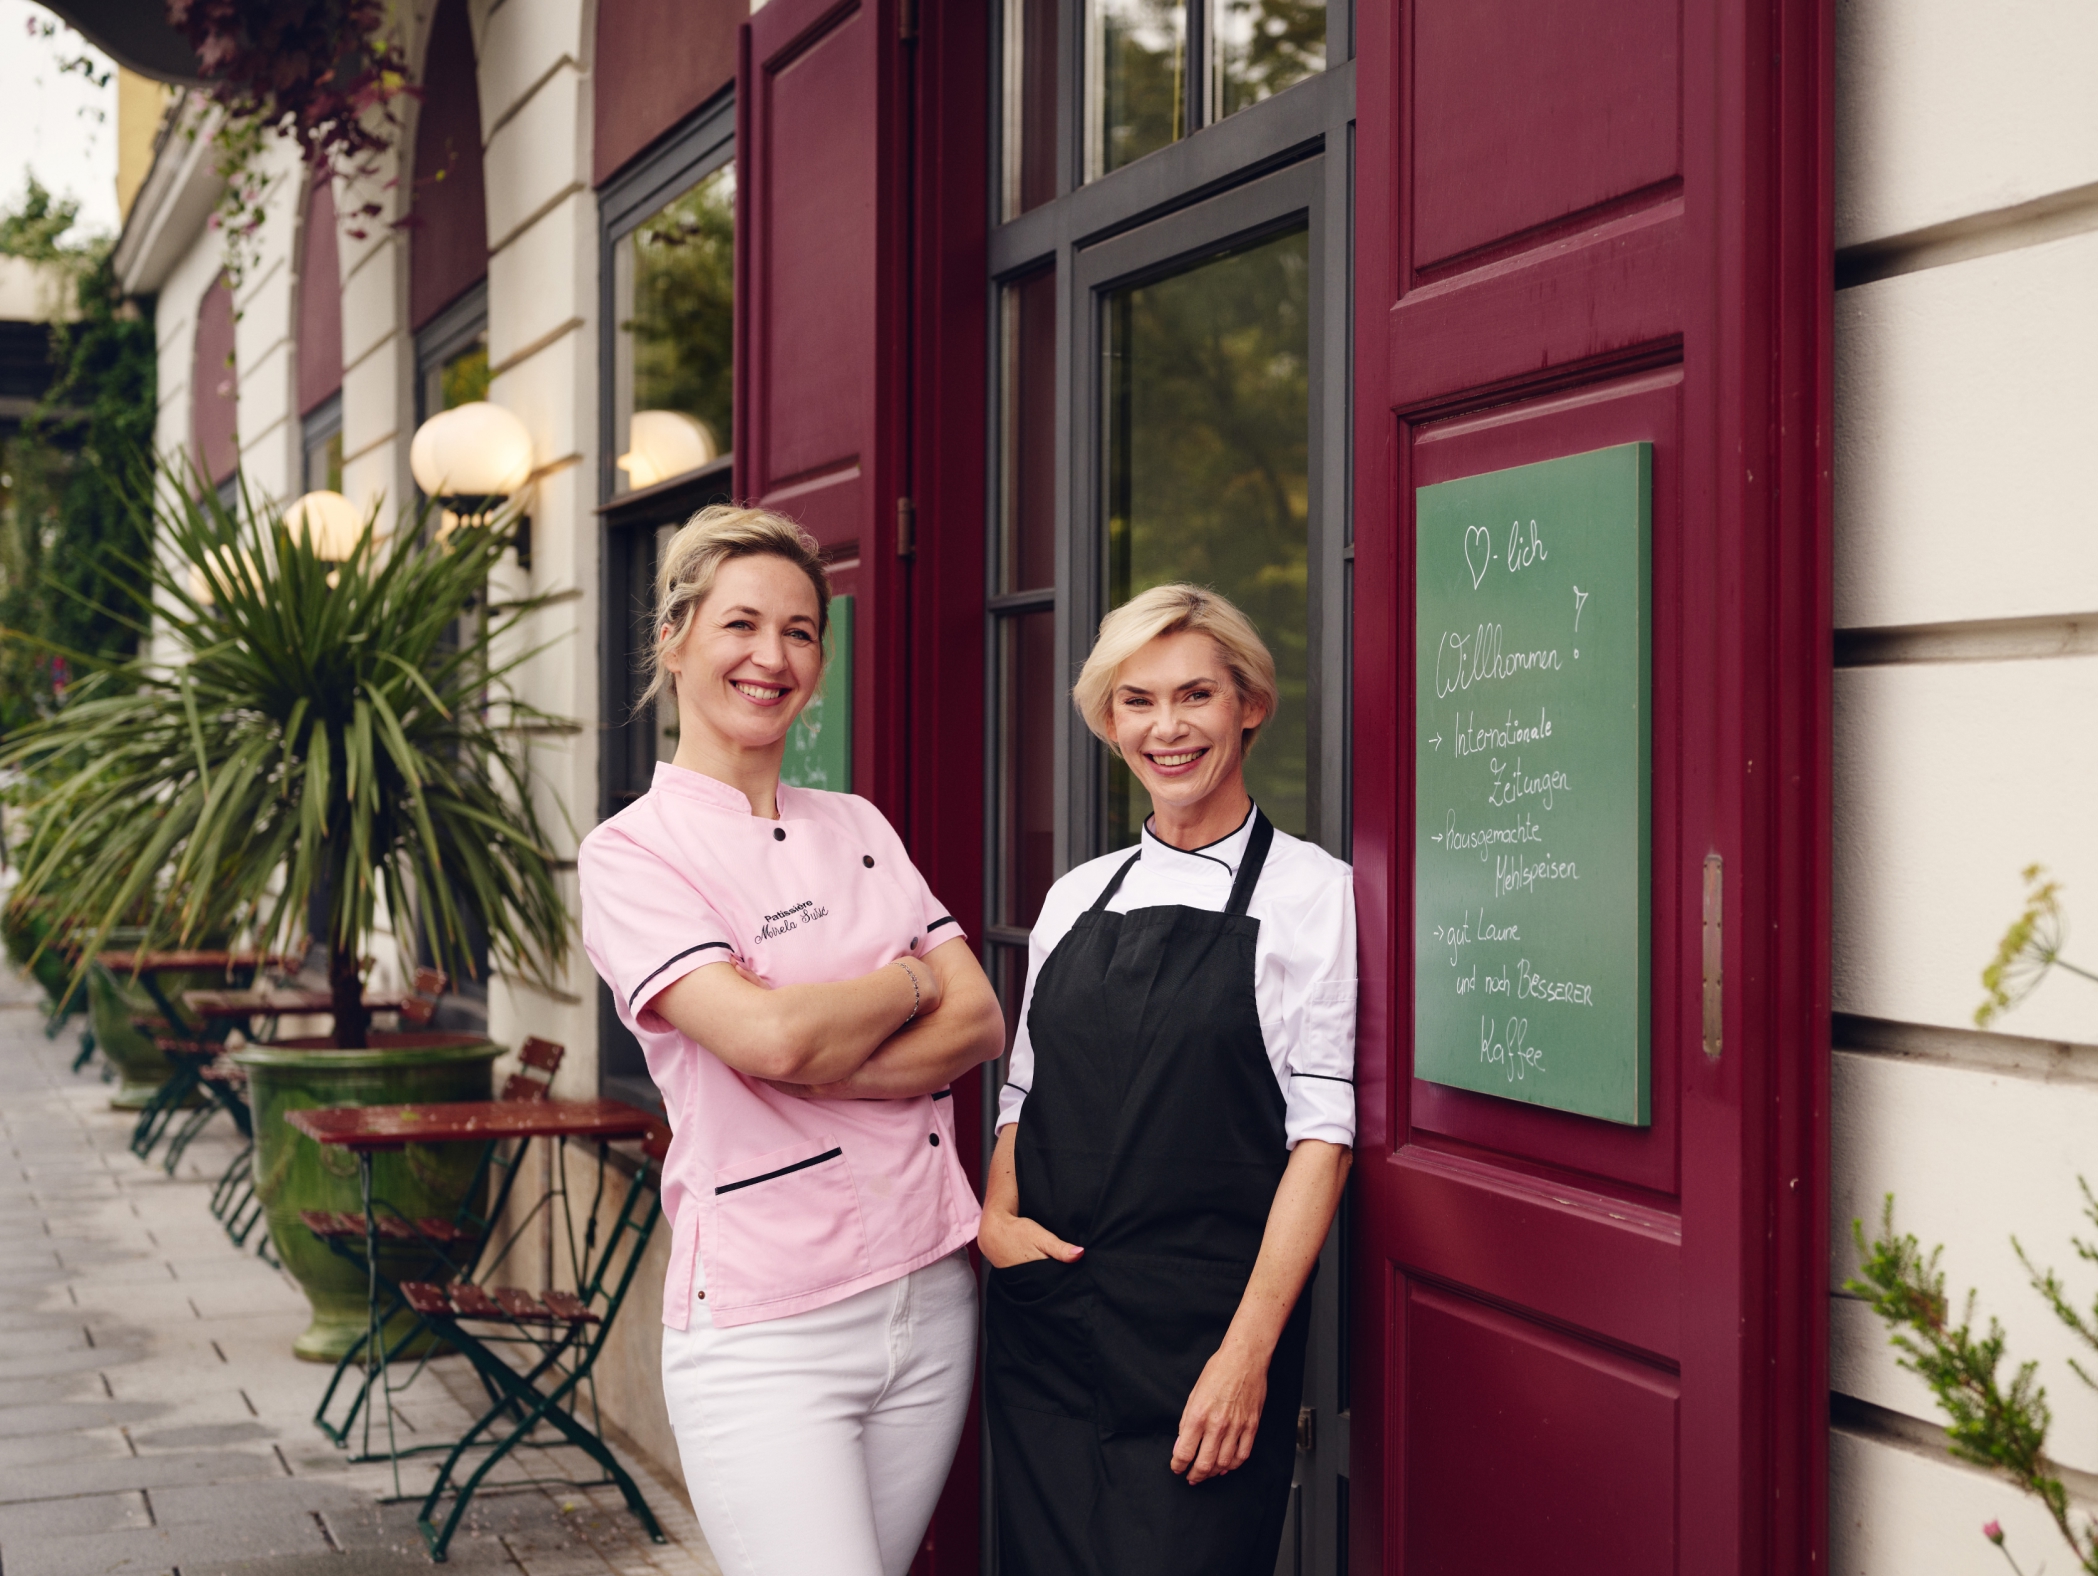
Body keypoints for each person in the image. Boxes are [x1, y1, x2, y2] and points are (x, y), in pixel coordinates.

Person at [578, 506, 1005, 1576]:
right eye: (740, 624)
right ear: (674, 638)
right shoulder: (632, 854)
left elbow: (980, 1019)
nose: (772, 656)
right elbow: (765, 1037)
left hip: (930, 1292)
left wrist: (823, 1043)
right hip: (770, 1327)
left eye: (802, 630)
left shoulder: (859, 824)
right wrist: (906, 981)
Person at [980, 583, 1357, 1576]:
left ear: (1249, 703)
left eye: (1195, 694)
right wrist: (995, 1220)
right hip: (1047, 1330)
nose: (1167, 726)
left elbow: (1323, 1140)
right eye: (1137, 700)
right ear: (1110, 720)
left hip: (1200, 1341)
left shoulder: (1315, 896)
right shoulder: (1075, 895)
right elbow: (1024, 1089)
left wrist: (1246, 1358)